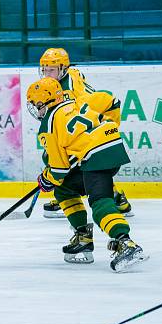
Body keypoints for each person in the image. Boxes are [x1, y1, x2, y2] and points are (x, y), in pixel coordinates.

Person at [26, 76, 147, 272]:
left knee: (99, 203)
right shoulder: (75, 101)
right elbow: (109, 101)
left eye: (34, 104)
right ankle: (83, 237)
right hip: (111, 146)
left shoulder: (48, 124)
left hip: (97, 155)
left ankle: (126, 243)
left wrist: (46, 179)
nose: (34, 108)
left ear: (43, 102)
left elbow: (58, 169)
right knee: (64, 189)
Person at [37, 48, 133, 218]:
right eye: (44, 70)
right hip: (89, 123)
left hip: (97, 125)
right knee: (65, 159)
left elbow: (104, 102)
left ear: (63, 69)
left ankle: (111, 198)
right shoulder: (66, 76)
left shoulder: (70, 93)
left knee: (70, 161)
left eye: (51, 70)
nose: (46, 74)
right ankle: (118, 199)